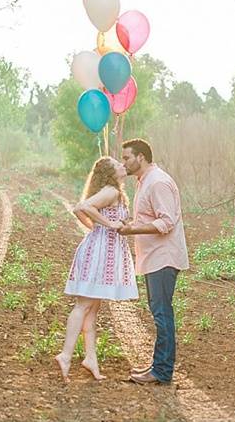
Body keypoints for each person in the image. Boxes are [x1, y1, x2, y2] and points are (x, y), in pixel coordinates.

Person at [55, 156, 137, 382]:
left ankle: (90, 359)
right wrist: (107, 225)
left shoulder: (116, 193)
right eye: (118, 164)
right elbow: (82, 207)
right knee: (83, 305)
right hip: (99, 253)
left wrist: (96, 225)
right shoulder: (110, 190)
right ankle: (66, 354)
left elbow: (84, 210)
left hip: (104, 251)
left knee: (92, 310)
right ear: (110, 172)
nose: (123, 165)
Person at [118, 139, 189, 385]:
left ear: (141, 157)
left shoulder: (157, 182)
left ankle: (162, 371)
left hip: (163, 258)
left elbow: (166, 222)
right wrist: (131, 223)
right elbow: (149, 217)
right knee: (159, 312)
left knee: (162, 313)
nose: (123, 162)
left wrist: (132, 231)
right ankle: (159, 366)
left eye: (127, 158)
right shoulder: (144, 181)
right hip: (154, 257)